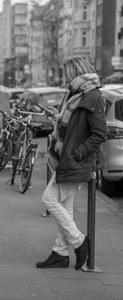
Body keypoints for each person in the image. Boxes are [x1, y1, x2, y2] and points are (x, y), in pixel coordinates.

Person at [36, 56, 107, 270]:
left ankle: (79, 242)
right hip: (64, 157)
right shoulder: (76, 94)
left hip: (73, 161)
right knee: (65, 207)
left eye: (66, 74)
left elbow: (99, 134)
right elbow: (74, 126)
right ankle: (60, 253)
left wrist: (77, 154)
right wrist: (58, 117)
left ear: (76, 73)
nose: (64, 78)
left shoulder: (92, 97)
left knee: (48, 199)